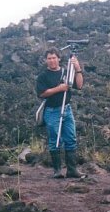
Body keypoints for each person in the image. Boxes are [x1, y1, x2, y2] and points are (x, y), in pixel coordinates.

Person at [36, 47, 85, 178]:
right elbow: (42, 93)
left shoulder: (66, 72)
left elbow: (79, 86)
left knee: (71, 138)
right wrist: (59, 88)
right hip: (51, 111)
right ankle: (57, 171)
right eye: (49, 58)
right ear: (46, 60)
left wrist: (78, 69)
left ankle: (72, 170)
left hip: (67, 109)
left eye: (54, 58)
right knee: (54, 140)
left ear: (59, 59)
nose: (52, 61)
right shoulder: (43, 76)